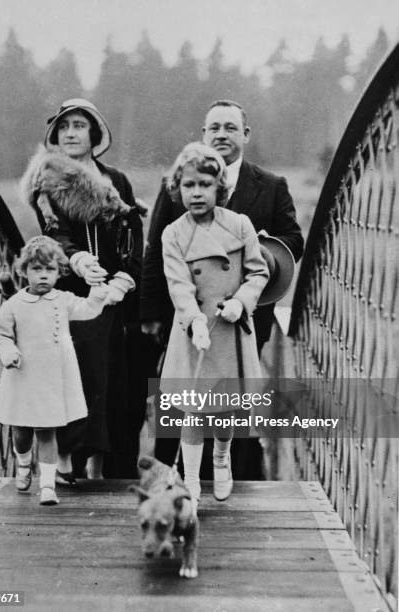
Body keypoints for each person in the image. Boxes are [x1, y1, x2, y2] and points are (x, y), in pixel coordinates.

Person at [140, 99, 304, 478]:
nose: (221, 134)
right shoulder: (178, 181)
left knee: (234, 401)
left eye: (230, 127)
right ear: (203, 134)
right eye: (213, 127)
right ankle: (174, 482)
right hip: (188, 316)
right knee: (183, 398)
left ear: (246, 135)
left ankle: (238, 484)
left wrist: (264, 247)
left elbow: (294, 239)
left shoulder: (271, 186)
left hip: (242, 317)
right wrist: (150, 314)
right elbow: (155, 250)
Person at [22, 98, 144, 480]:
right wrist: (75, 260)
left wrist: (125, 277)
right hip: (75, 294)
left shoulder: (117, 180)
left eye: (79, 125)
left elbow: (132, 230)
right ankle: (67, 463)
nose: (71, 133)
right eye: (64, 127)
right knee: (80, 375)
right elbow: (53, 230)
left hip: (117, 297)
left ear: (94, 135)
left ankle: (111, 470)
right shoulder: (49, 178)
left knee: (117, 384)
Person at [160, 143, 269, 511]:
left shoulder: (239, 225)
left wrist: (242, 301)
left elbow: (259, 272)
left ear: (219, 187)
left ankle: (221, 460)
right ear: (179, 188)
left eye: (204, 184)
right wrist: (194, 321)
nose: (196, 192)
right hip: (196, 332)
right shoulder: (173, 234)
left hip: (231, 328)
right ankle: (191, 478)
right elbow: (179, 284)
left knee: (224, 410)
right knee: (193, 410)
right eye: (188, 185)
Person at [0, 236, 113, 505]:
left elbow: (88, 309)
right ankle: (23, 464)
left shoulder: (63, 300)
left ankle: (47, 486)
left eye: (50, 270)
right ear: (24, 271)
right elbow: (0, 335)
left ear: (59, 272)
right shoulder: (15, 305)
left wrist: (98, 292)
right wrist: (8, 352)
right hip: (23, 375)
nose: (43, 276)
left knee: (47, 431)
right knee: (22, 432)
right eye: (36, 269)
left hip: (52, 380)